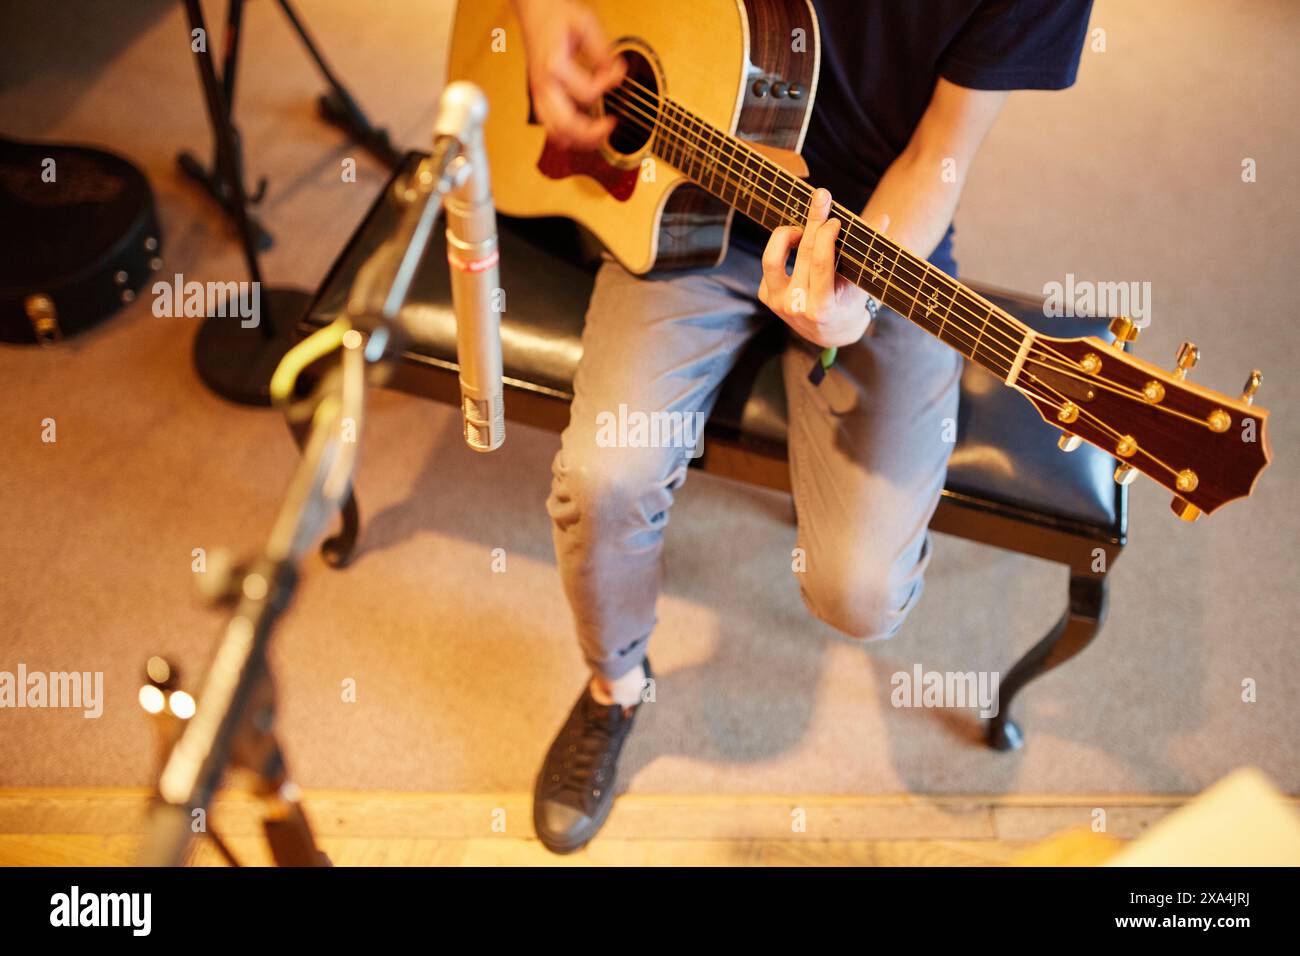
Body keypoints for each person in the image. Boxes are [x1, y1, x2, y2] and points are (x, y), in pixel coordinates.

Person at [512, 0, 1095, 853]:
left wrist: (852, 298)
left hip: (878, 240)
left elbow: (940, 153)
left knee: (860, 594)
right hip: (677, 201)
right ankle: (615, 687)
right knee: (606, 481)